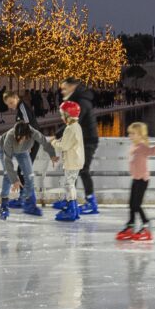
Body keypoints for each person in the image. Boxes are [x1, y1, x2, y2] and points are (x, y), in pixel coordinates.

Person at [117, 121, 155, 242]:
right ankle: (131, 224)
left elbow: (154, 151)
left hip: (143, 180)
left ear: (140, 135)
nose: (130, 136)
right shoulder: (133, 146)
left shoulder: (142, 146)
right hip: (135, 179)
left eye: (133, 134)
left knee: (136, 205)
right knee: (131, 204)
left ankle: (146, 224)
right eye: (130, 134)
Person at [0, 122, 57, 220]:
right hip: (6, 150)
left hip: (23, 152)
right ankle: (4, 206)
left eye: (23, 138)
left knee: (30, 176)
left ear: (28, 135)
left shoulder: (34, 133)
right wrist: (15, 180)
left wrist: (52, 154)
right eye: (18, 137)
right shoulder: (10, 136)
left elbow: (44, 142)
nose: (20, 140)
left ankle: (26, 202)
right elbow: (7, 160)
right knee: (8, 175)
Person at [59, 78, 101, 215]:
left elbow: (73, 121)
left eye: (65, 88)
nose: (62, 91)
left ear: (73, 87)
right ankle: (70, 199)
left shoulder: (81, 102)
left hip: (88, 140)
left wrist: (57, 134)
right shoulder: (77, 100)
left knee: (82, 169)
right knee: (75, 170)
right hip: (83, 139)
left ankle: (91, 202)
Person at [4, 90, 42, 210]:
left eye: (11, 103)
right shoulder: (21, 107)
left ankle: (25, 199)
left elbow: (28, 125)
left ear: (16, 97)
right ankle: (25, 197)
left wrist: (29, 144)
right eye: (8, 104)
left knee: (23, 169)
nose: (10, 106)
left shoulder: (22, 107)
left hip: (31, 142)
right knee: (23, 169)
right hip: (30, 142)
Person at [50, 101, 85, 222]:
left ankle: (71, 208)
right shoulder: (77, 126)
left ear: (68, 115)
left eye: (62, 114)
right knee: (70, 184)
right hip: (76, 159)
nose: (61, 117)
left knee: (69, 184)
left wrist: (54, 142)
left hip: (72, 161)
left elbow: (64, 146)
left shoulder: (70, 128)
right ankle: (73, 207)